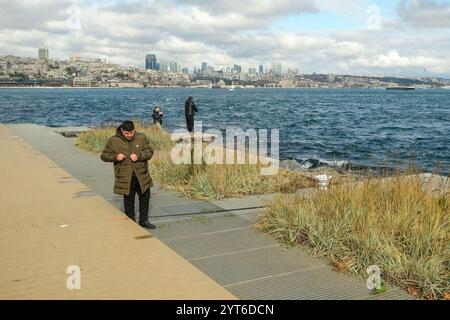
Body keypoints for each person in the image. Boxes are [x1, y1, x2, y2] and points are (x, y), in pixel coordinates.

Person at [101, 120, 156, 229]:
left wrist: (139, 156)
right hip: (125, 176)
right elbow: (104, 156)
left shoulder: (141, 137)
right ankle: (131, 223)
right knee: (129, 201)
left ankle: (143, 220)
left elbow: (150, 151)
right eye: (127, 133)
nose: (130, 135)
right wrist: (116, 157)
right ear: (122, 130)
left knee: (145, 197)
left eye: (131, 133)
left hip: (142, 175)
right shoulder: (113, 140)